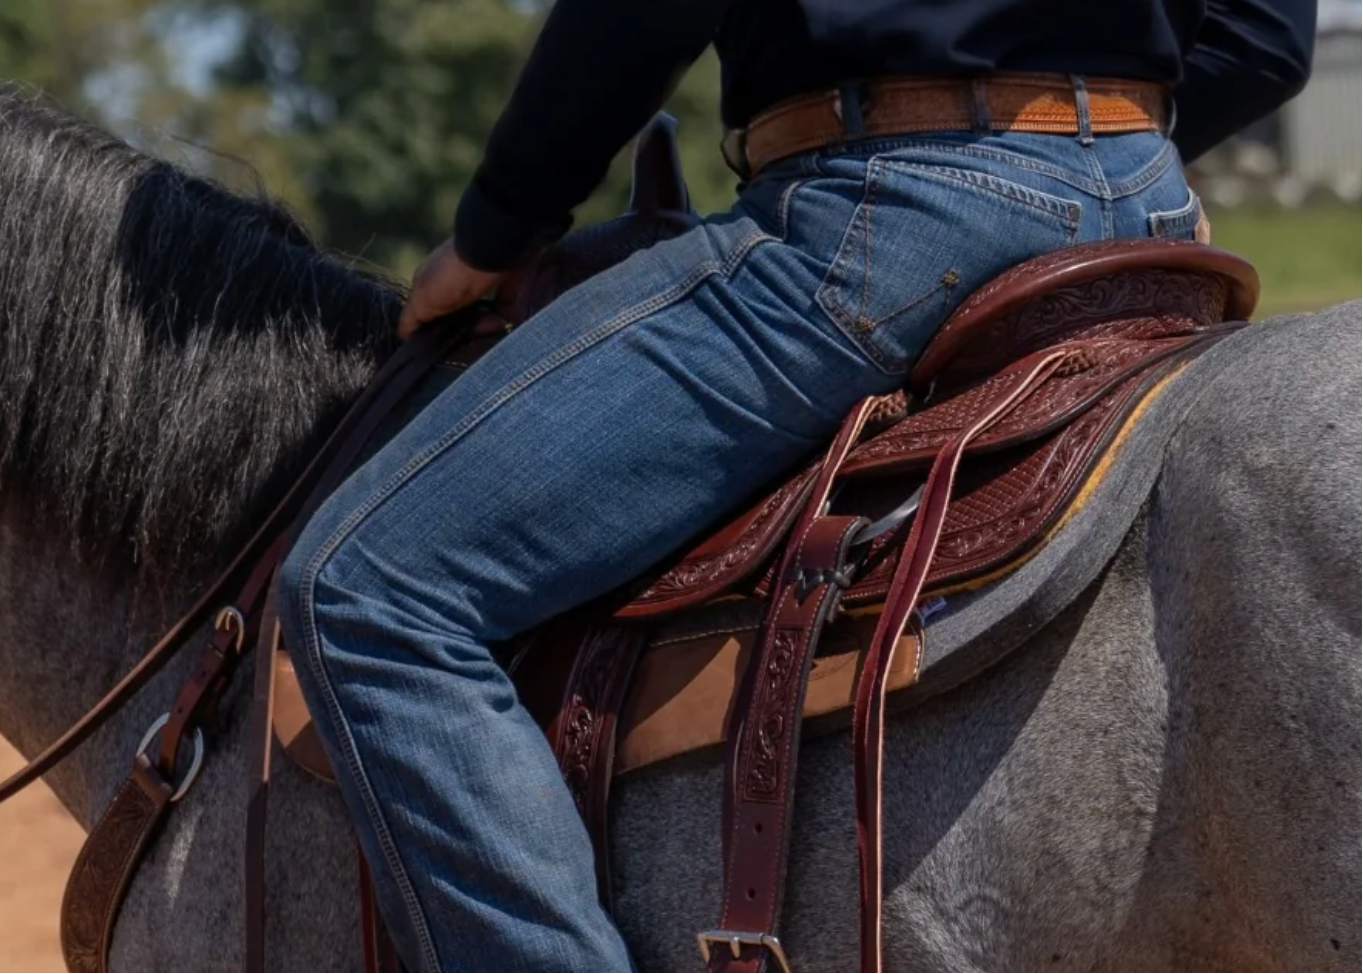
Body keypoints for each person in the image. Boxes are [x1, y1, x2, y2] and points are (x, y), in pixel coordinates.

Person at [275, 0, 1315, 970]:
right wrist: (1090, 154)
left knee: (367, 590)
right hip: (1149, 203)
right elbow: (1266, 37)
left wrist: (500, 223)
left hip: (891, 205)